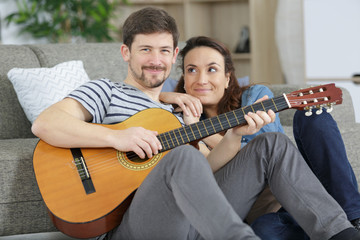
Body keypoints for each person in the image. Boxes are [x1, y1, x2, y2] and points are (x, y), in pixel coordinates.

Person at [31, 7, 360, 240]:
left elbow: (205, 171)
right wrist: (118, 138)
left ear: (174, 56)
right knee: (182, 156)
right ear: (125, 52)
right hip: (131, 224)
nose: (155, 60)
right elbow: (46, 124)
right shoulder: (105, 91)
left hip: (197, 220)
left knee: (271, 144)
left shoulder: (178, 113)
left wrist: (234, 136)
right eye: (145, 49)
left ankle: (341, 233)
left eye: (163, 50)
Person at [159, 35, 360, 239]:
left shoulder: (254, 97)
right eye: (192, 70)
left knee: (313, 117)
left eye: (212, 69)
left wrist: (199, 131)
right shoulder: (177, 121)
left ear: (227, 77)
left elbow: (264, 150)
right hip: (269, 215)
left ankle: (354, 220)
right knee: (264, 229)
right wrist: (169, 97)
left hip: (304, 193)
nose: (201, 79)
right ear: (184, 79)